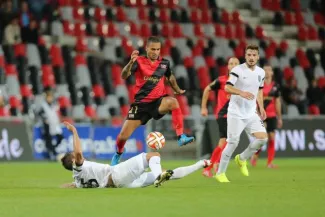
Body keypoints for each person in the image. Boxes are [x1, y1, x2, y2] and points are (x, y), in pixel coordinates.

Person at [111, 36, 194, 165]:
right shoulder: (138, 61)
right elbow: (124, 75)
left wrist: (177, 89)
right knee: (122, 137)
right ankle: (118, 153)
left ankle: (180, 136)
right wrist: (130, 63)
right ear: (147, 48)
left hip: (157, 102)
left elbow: (170, 77)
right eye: (153, 49)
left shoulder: (164, 63)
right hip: (140, 105)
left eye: (158, 49)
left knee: (173, 102)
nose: (156, 52)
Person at [60, 121, 211, 188]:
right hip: (117, 175)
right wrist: (74, 131)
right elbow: (79, 153)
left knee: (169, 174)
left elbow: (72, 185)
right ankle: (158, 177)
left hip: (124, 184)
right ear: (73, 160)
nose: (80, 156)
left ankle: (200, 164)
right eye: (75, 155)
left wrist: (65, 186)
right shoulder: (78, 166)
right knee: (153, 155)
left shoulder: (78, 181)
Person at [215, 44, 268, 183]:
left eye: (254, 55)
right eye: (249, 55)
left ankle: (242, 158)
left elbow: (260, 90)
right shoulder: (238, 70)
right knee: (232, 143)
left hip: (251, 113)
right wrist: (241, 92)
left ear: (258, 56)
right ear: (245, 56)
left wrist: (261, 107)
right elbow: (227, 87)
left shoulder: (261, 73)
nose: (251, 57)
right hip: (235, 113)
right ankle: (220, 173)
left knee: (263, 138)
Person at [201, 57, 240, 177]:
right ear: (228, 67)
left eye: (236, 64)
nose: (233, 65)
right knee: (224, 142)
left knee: (228, 143)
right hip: (224, 115)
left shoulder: (241, 83)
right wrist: (203, 107)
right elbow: (207, 89)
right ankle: (209, 168)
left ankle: (215, 164)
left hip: (235, 116)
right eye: (231, 63)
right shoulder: (222, 80)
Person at [250, 65, 282, 168]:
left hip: (272, 115)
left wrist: (279, 117)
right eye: (265, 70)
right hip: (261, 114)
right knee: (262, 138)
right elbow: (254, 100)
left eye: (269, 70)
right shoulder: (259, 85)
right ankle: (255, 155)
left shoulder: (275, 86)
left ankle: (270, 163)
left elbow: (277, 102)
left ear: (272, 73)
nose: (267, 72)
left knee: (272, 137)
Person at [38, 89, 64, 161]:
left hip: (55, 125)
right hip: (47, 126)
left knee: (60, 137)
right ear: (46, 98)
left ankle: (54, 149)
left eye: (51, 97)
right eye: (48, 97)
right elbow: (40, 113)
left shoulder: (53, 105)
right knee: (48, 141)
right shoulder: (43, 105)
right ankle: (54, 154)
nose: (50, 99)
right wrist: (44, 119)